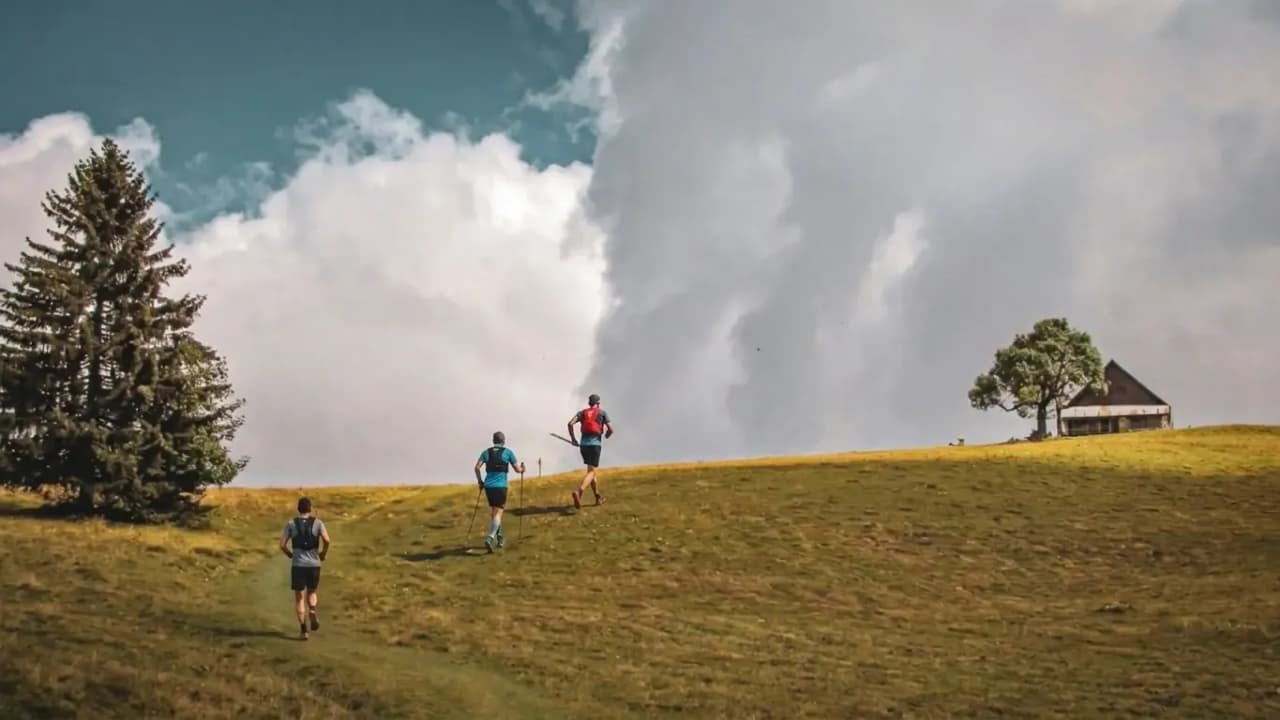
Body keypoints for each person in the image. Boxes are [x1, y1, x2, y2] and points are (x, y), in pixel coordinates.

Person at [278, 496, 330, 640]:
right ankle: (312, 609)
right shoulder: (318, 523)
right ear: (310, 509)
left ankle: (303, 630)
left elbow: (282, 544)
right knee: (312, 592)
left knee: (299, 598)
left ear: (298, 509)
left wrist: (289, 554)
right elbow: (327, 540)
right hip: (314, 564)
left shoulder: (291, 524)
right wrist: (323, 554)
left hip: (298, 565)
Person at [474, 431, 526, 553]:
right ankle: (490, 537)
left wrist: (480, 482)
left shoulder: (486, 452)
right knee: (498, 513)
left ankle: (499, 537)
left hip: (488, 486)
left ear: (493, 441)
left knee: (494, 512)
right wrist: (523, 469)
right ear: (503, 441)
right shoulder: (508, 452)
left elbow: (477, 467)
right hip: (501, 486)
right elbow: (518, 470)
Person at [566, 393, 613, 508]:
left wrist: (573, 439)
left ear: (589, 403)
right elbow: (611, 429)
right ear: (598, 403)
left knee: (590, 471)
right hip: (595, 445)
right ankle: (579, 492)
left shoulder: (582, 413)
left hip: (583, 445)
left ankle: (597, 497)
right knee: (592, 472)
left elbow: (570, 424)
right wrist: (607, 435)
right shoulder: (602, 412)